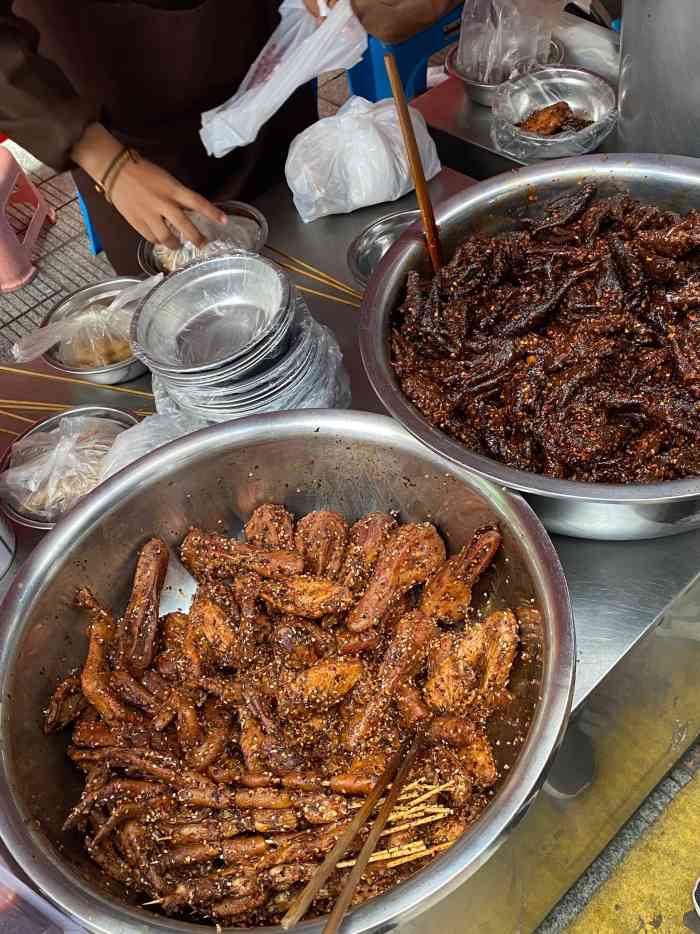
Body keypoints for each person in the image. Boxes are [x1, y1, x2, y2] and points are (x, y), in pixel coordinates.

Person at [0, 0, 459, 274]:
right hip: (114, 132)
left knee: (305, 243)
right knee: (183, 303)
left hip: (262, 70)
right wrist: (101, 157)